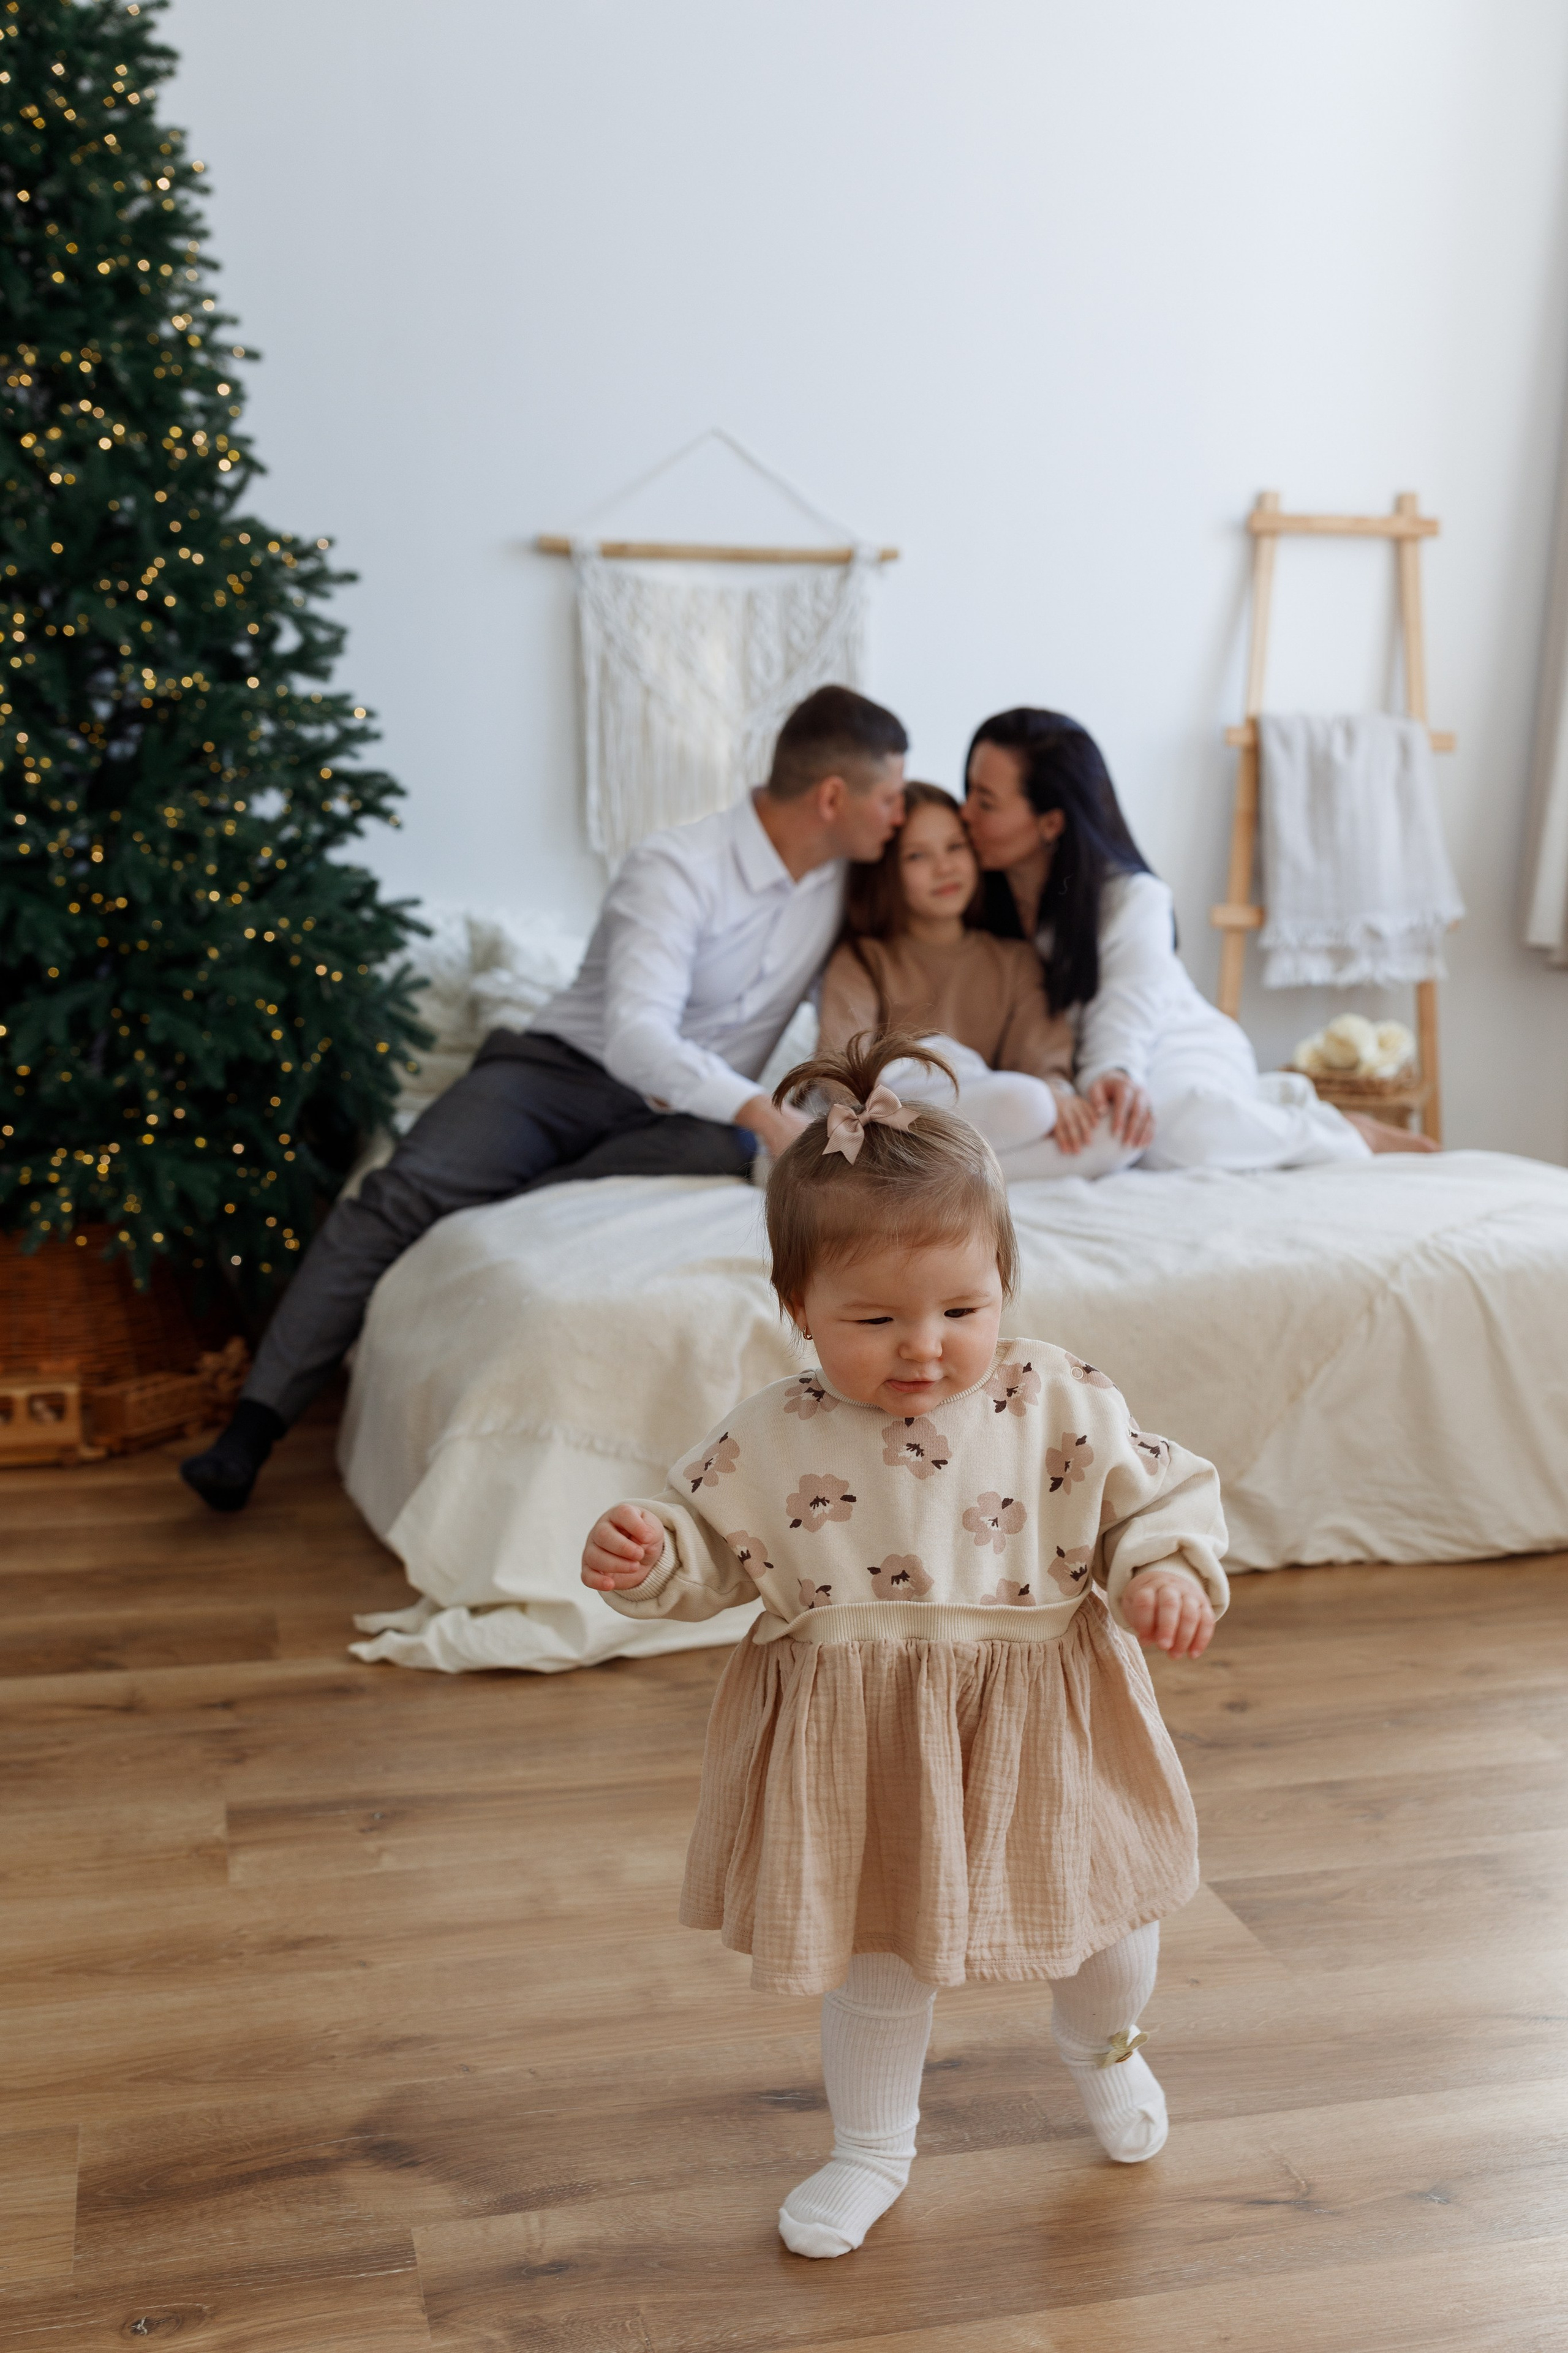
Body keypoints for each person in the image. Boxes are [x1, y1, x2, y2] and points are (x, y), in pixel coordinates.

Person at [582, 1030, 1227, 2260]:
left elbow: (1158, 1494)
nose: (922, 1346)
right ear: (797, 1309)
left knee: (1107, 1942)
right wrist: (648, 1551)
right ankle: (870, 2145)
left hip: (1049, 1727)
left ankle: (1101, 2052)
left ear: (1004, 1284)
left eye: (960, 1309)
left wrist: (1164, 1573)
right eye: (872, 1317)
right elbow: (707, 1552)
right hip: (867, 1747)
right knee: (876, 1961)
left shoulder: (1058, 1398)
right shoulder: (770, 1436)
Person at [181, 686, 909, 1513]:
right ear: (832, 797)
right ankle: (251, 1429)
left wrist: (856, 1087)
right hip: (557, 1077)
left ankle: (510, 1196)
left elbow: (839, 1018)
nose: (898, 815)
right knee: (396, 1195)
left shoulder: (842, 887)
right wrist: (761, 1109)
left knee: (723, 1153)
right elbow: (638, 1038)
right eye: (889, 796)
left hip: (685, 1124)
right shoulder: (675, 868)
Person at [960, 708, 1438, 1169]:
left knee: (1163, 1135)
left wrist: (1112, 1074)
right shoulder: (971, 894)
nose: (965, 814)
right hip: (1072, 1069)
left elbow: (1123, 1013)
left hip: (1170, 1044)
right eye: (968, 793)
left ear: (1051, 822)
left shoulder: (1132, 899)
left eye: (986, 802)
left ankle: (1350, 1134)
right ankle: (1267, 1099)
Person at [817, 784, 1140, 1180]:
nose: (944, 867)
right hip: (895, 1119)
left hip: (987, 1115)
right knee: (960, 1072)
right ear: (888, 870)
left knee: (1122, 1133)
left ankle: (943, 1180)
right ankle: (936, 1172)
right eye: (918, 855)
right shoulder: (863, 958)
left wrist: (1057, 1090)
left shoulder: (1014, 961)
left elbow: (1043, 1060)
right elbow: (841, 1070)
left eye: (955, 847)